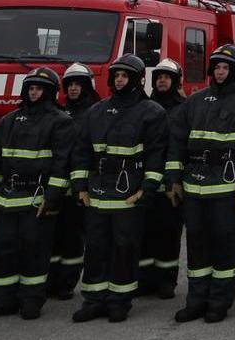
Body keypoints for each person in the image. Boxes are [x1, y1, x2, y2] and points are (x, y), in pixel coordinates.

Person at [167, 45, 235, 323]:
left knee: (225, 245)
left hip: (226, 190)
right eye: (217, 68)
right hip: (194, 187)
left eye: (226, 68)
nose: (221, 72)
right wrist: (174, 179)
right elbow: (176, 142)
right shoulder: (195, 101)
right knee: (197, 246)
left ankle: (219, 302)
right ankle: (196, 300)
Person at [70, 54, 169, 323]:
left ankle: (119, 301)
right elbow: (81, 151)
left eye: (125, 75)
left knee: (125, 248)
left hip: (129, 193)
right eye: (116, 75)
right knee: (96, 248)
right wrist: (80, 186)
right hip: (98, 193)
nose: (120, 79)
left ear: (137, 79)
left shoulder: (152, 112)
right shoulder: (97, 111)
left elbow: (156, 154)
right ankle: (93, 300)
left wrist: (146, 189)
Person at [0, 67, 76, 320]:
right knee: (4, 250)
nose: (33, 92)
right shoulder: (9, 120)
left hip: (37, 198)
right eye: (30, 87)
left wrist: (52, 197)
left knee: (35, 250)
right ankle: (1, 299)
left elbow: (62, 163)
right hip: (7, 197)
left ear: (50, 92)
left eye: (39, 88)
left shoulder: (61, 122)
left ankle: (31, 299)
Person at [49, 62, 98, 300]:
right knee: (53, 236)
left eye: (78, 84)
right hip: (55, 186)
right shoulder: (58, 111)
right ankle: (51, 279)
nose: (73, 89)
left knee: (73, 238)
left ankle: (67, 282)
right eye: (70, 85)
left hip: (79, 187)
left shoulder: (94, 113)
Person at [141, 58, 186, 301]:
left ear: (175, 81)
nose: (162, 80)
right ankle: (145, 279)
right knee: (145, 232)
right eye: (158, 76)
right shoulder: (144, 106)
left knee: (169, 233)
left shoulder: (185, 108)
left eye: (167, 77)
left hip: (171, 183)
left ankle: (166, 280)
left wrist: (175, 180)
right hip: (145, 181)